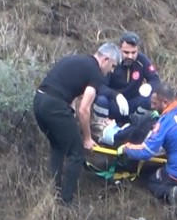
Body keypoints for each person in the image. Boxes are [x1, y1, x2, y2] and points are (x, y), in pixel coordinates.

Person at [33, 43, 121, 206]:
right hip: (55, 106)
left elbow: (70, 89)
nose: (112, 71)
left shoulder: (77, 61)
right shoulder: (96, 73)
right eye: (113, 66)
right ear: (105, 59)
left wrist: (71, 113)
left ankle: (54, 191)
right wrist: (87, 138)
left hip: (39, 102)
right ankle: (66, 201)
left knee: (58, 145)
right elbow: (84, 109)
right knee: (77, 152)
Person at [93, 31, 160, 125]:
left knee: (149, 100)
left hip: (133, 104)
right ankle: (102, 128)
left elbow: (155, 80)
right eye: (126, 52)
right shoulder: (112, 60)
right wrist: (116, 96)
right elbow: (100, 86)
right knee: (101, 100)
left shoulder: (142, 60)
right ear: (119, 48)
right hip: (114, 103)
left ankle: (137, 126)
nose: (130, 56)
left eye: (133, 52)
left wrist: (149, 86)